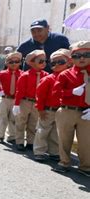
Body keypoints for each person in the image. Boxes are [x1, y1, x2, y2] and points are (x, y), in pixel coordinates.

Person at [52, 41, 90, 176]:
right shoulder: (65, 74)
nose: (81, 58)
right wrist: (71, 92)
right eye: (77, 55)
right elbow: (55, 93)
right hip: (67, 110)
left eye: (86, 54)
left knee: (87, 142)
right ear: (71, 59)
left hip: (86, 113)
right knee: (64, 139)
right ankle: (64, 162)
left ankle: (85, 167)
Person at [33, 49, 72, 162]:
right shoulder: (48, 79)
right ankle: (39, 151)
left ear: (68, 62)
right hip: (48, 110)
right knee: (43, 130)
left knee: (56, 132)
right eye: (53, 63)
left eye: (61, 62)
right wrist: (40, 109)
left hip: (62, 110)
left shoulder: (69, 78)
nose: (57, 65)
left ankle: (54, 151)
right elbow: (40, 95)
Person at [13, 49, 48, 151]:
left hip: (37, 102)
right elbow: (19, 90)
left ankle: (30, 141)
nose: (43, 63)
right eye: (40, 61)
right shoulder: (25, 75)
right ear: (32, 62)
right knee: (21, 121)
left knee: (33, 123)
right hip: (25, 101)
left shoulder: (45, 75)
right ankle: (19, 141)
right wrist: (17, 104)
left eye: (45, 61)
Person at [0, 51, 23, 144]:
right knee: (2, 117)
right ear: (6, 63)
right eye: (11, 62)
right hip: (5, 99)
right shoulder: (2, 73)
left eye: (16, 62)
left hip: (16, 100)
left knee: (13, 118)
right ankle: (0, 135)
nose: (14, 64)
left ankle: (11, 136)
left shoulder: (22, 74)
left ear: (20, 63)